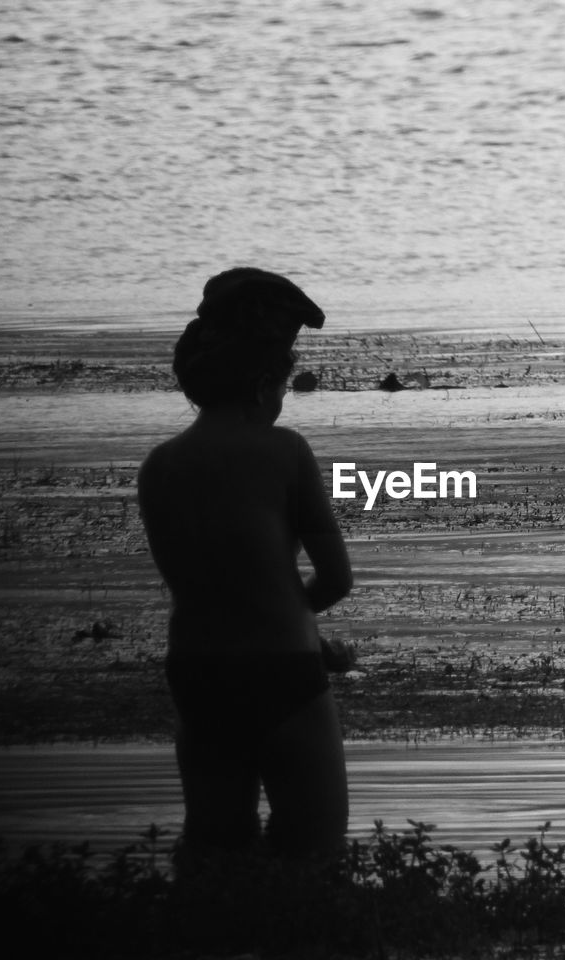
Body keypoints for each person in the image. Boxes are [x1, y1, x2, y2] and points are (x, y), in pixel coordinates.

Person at [137, 268, 353, 861]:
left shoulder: (159, 467)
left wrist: (288, 623)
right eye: (281, 391)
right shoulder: (285, 452)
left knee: (213, 846)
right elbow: (336, 579)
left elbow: (209, 586)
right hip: (283, 673)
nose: (281, 404)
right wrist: (297, 625)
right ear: (263, 386)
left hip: (198, 676)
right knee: (314, 848)